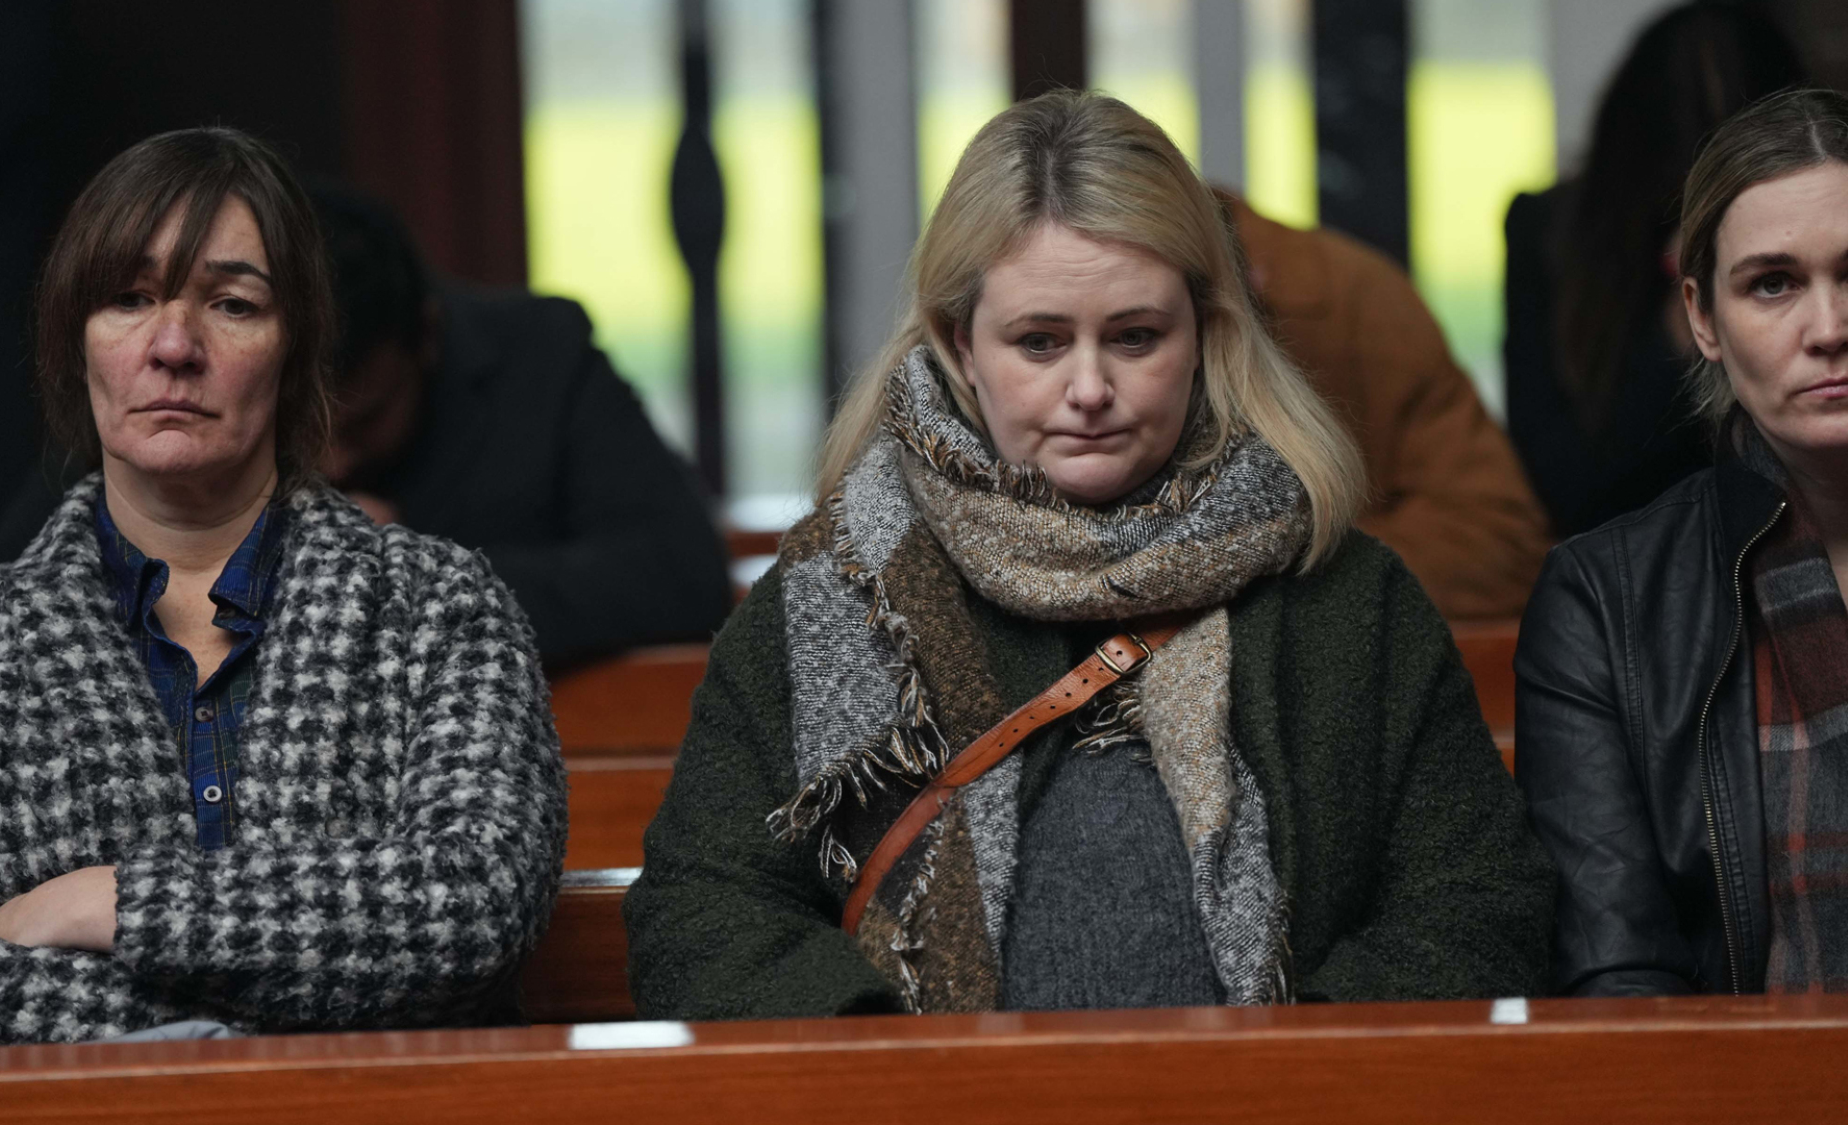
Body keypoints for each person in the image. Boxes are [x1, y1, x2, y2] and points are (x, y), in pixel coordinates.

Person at [624, 91, 1553, 1019]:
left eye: (1135, 336)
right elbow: (699, 912)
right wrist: (895, 1067)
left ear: (1205, 334)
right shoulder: (836, 589)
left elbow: (1479, 901)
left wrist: (1284, 1067)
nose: (1090, 389)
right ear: (961, 344)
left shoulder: (1349, 597)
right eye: (1039, 341)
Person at [0, 128, 566, 1050]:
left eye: (233, 305)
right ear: (74, 342)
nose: (173, 345)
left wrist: (110, 902)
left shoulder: (441, 608)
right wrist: (234, 1032)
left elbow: (474, 906)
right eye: (127, 298)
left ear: (296, 350)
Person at [0, 185, 730, 669]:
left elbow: (682, 573)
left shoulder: (541, 358)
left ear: (428, 340)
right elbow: (5, 598)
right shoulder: (167, 377)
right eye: (300, 427)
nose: (334, 462)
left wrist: (405, 575)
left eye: (365, 420)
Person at [1518, 89, 1848, 996]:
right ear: (1704, 319)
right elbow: (1619, 976)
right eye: (1773, 283)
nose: (1830, 329)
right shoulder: (1606, 600)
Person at [1503, 4, 1806, 538]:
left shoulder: (1821, 230)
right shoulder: (1552, 234)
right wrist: (1686, 305)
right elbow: (1569, 489)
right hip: (1627, 558)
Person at [1223, 190, 1552, 620]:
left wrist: (1273, 569)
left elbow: (1497, 543)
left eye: (1137, 335)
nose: (1101, 389)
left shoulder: (1348, 296)